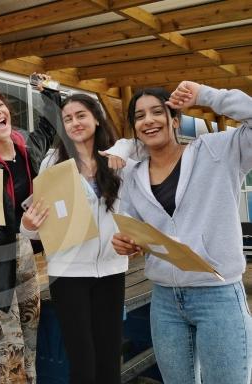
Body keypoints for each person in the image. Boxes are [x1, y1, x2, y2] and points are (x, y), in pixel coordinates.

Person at [108, 81, 252, 384]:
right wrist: (127, 242)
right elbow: (135, 225)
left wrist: (207, 96)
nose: (148, 120)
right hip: (164, 300)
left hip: (219, 296)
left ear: (175, 120)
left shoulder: (217, 150)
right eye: (139, 116)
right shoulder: (133, 176)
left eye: (157, 112)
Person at [20, 91, 127, 384]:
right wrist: (28, 226)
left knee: (109, 361)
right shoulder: (53, 162)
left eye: (81, 115)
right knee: (82, 364)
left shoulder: (119, 159)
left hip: (112, 269)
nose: (74, 123)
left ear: (96, 118)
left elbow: (134, 213)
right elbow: (40, 224)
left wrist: (134, 240)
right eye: (67, 118)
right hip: (67, 274)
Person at [0, 80, 56, 383]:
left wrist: (49, 92)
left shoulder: (28, 148)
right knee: (10, 346)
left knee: (31, 338)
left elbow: (50, 124)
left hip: (27, 255)